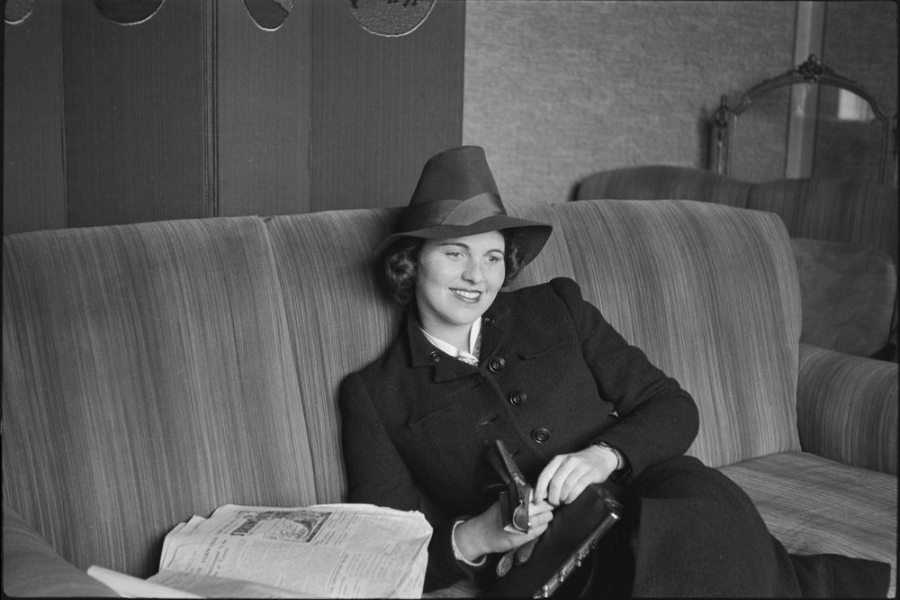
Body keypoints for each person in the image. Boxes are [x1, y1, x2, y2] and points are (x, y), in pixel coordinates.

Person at [338, 145, 889, 596]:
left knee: (708, 517)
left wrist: (605, 455)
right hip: (564, 563)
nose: (476, 276)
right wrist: (480, 535)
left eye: (492, 256)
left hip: (657, 492)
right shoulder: (373, 395)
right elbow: (388, 551)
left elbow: (673, 407)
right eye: (455, 253)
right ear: (412, 262)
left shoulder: (555, 307)